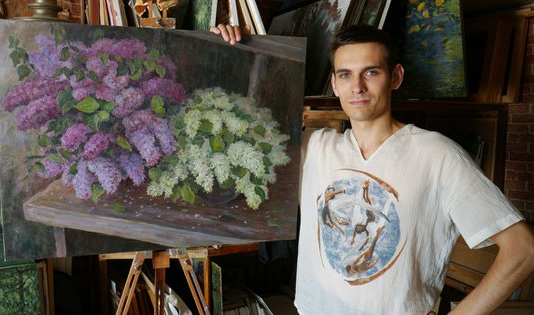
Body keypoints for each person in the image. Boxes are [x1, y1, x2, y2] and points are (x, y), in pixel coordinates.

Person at [210, 24, 534, 314]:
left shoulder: (438, 155)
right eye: (345, 74)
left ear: (395, 77)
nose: (358, 87)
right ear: (334, 84)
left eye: (371, 72)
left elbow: (523, 249)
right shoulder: (312, 147)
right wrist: (229, 54)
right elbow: (236, 133)